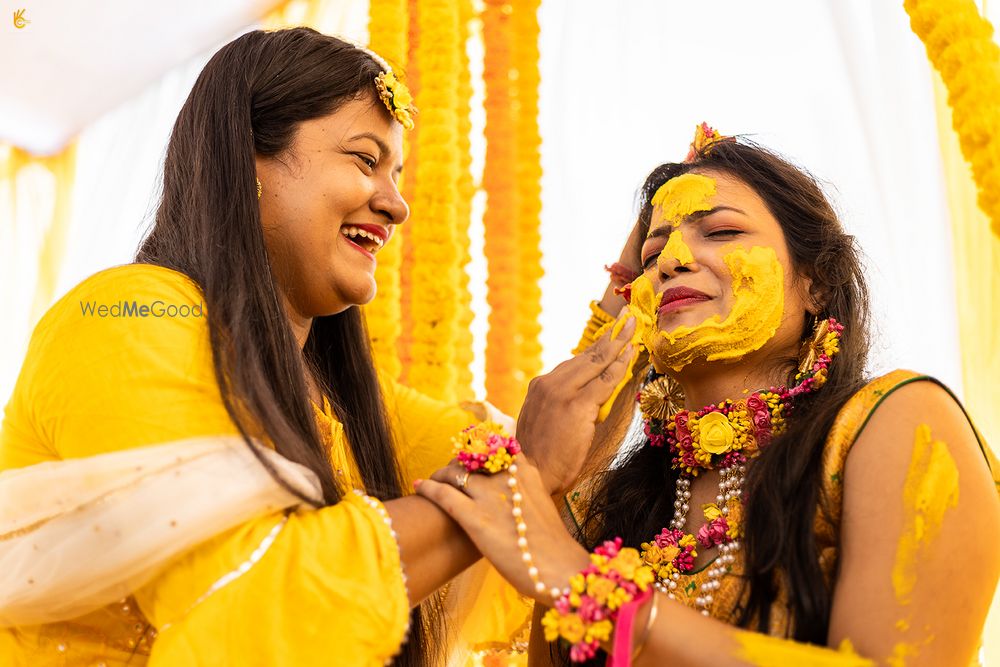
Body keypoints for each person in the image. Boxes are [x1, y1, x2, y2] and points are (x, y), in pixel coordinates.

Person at [0, 27, 635, 666]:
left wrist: (630, 310)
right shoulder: (127, 316)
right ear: (245, 160)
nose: (396, 205)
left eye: (397, 173)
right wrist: (516, 478)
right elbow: (247, 603)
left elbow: (544, 471)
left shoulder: (344, 401)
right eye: (365, 160)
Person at [416, 126, 1000, 666]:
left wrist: (576, 579)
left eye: (721, 231)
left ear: (815, 282)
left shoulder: (895, 423)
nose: (671, 261)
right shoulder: (615, 508)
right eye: (650, 257)